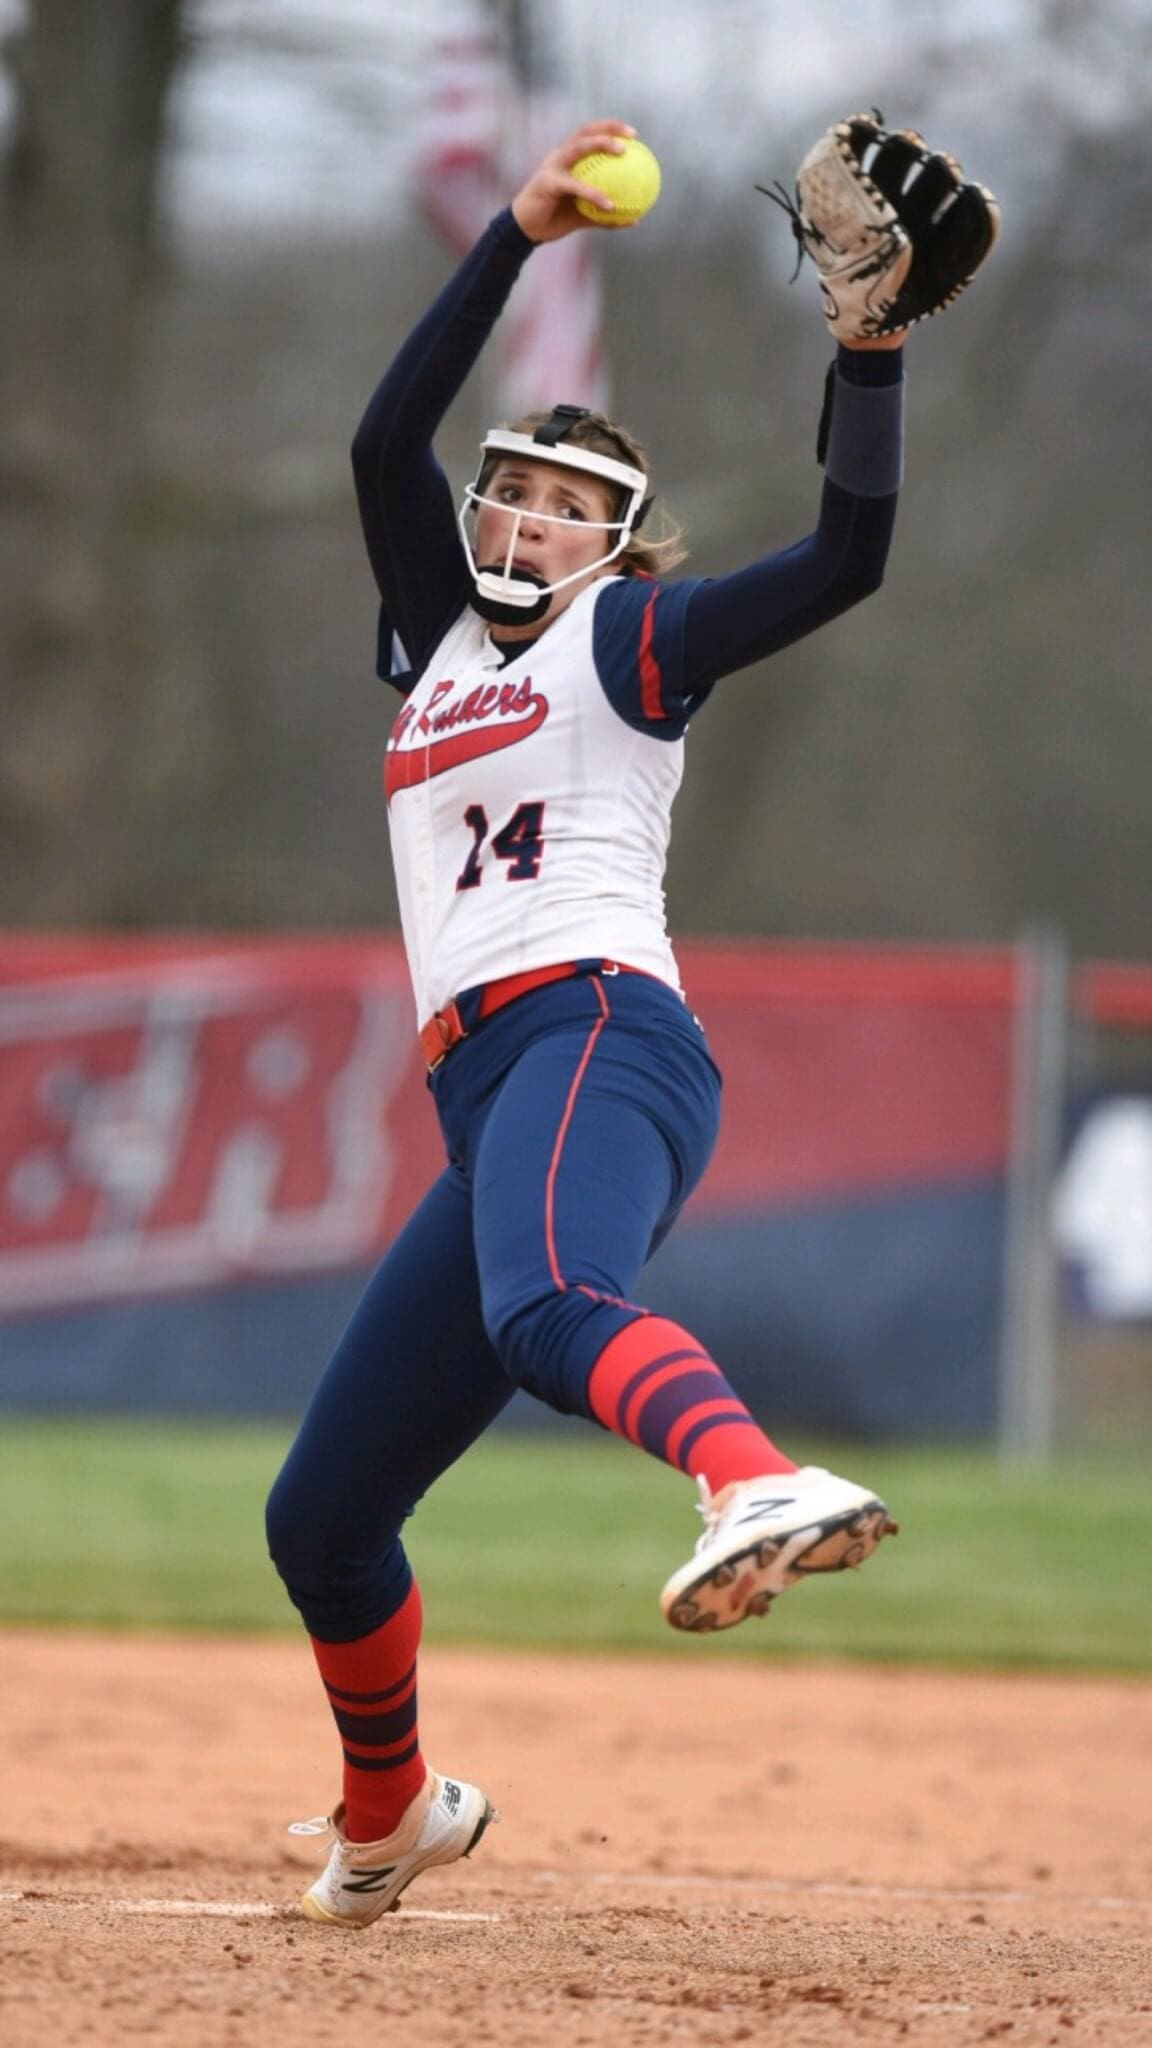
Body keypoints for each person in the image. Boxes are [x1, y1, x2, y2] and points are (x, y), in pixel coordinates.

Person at [267, 117, 915, 1928]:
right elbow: (379, 439)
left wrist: (869, 355)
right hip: (489, 1089)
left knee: (552, 1305)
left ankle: (753, 1481)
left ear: (616, 547)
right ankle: (392, 1814)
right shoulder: (438, 646)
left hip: (600, 1033)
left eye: (572, 506)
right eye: (518, 491)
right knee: (320, 1521)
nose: (530, 517)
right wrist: (517, 235)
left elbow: (848, 559)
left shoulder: (623, 643)